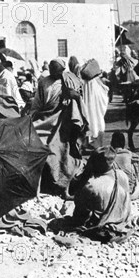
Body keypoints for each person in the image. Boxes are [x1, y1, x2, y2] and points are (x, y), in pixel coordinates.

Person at [31, 59, 88, 196]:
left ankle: (65, 185)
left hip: (64, 123)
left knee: (62, 152)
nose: (54, 74)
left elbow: (78, 99)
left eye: (57, 71)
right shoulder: (43, 82)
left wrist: (73, 96)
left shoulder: (70, 80)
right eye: (52, 71)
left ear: (62, 70)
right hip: (46, 120)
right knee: (44, 149)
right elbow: (38, 103)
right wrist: (35, 114)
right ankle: (48, 184)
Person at [68, 146, 132, 241]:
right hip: (124, 225)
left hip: (103, 232)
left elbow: (80, 215)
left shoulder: (91, 185)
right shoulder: (122, 175)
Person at [81, 59, 109, 147]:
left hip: (88, 111)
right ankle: (96, 145)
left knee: (89, 122)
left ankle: (87, 144)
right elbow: (105, 98)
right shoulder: (98, 86)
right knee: (97, 124)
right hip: (97, 115)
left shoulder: (86, 85)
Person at [110, 131, 139, 200]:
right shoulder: (131, 155)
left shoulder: (107, 156)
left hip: (112, 193)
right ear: (123, 143)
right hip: (131, 193)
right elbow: (137, 175)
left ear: (112, 142)